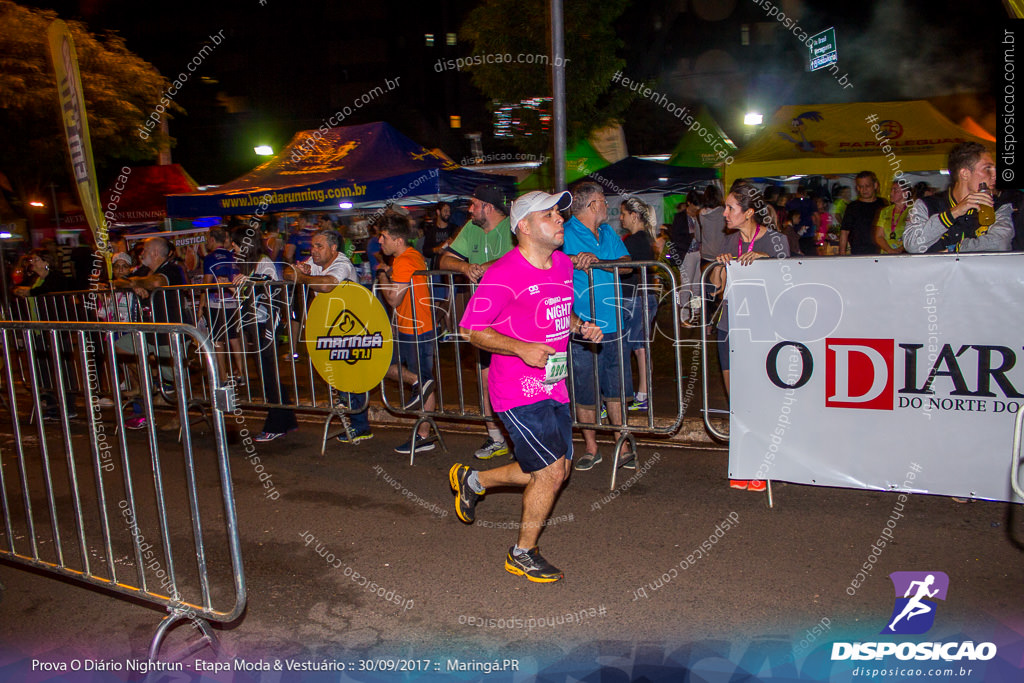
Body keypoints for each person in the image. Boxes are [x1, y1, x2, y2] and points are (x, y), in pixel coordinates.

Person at [450, 190, 601, 583]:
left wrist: (580, 327)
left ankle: (475, 480)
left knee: (558, 470)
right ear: (524, 227)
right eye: (549, 215)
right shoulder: (504, 274)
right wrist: (519, 348)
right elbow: (470, 330)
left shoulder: (564, 265)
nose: (559, 220)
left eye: (558, 214)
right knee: (550, 473)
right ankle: (523, 553)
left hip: (554, 383)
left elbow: (559, 315)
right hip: (516, 390)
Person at [708, 181, 790, 492]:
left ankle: (766, 464)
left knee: (762, 398)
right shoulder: (728, 243)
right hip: (731, 326)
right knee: (738, 400)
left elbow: (793, 279)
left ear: (749, 212)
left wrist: (766, 261)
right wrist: (720, 267)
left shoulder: (776, 240)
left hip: (762, 330)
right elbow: (716, 287)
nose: (724, 213)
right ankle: (745, 463)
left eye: (730, 208)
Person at [561, 181, 633, 472]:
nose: (607, 205)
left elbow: (628, 263)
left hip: (613, 322)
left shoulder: (607, 232)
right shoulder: (564, 233)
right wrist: (573, 260)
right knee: (584, 388)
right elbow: (548, 262)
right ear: (592, 205)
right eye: (604, 200)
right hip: (582, 327)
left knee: (617, 387)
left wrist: (599, 261)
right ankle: (591, 447)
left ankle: (623, 444)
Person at [439, 184, 514, 461]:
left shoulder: (513, 228)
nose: (469, 210)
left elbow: (517, 259)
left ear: (488, 207)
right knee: (485, 379)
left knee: (513, 377)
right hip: (483, 316)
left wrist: (485, 266)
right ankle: (496, 438)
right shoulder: (470, 229)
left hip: (511, 316)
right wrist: (464, 267)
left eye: (473, 204)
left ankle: (519, 436)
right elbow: (445, 258)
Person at [374, 212, 438, 453]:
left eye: (384, 237)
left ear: (397, 240)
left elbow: (393, 298)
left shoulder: (404, 260)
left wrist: (382, 274)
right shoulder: (409, 257)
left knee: (421, 379)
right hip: (411, 327)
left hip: (416, 329)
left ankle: (423, 435)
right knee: (389, 368)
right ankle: (420, 384)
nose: (380, 242)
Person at [230, 226, 298, 442]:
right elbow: (249, 293)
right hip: (256, 323)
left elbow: (269, 288)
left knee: (269, 374)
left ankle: (276, 423)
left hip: (267, 325)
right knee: (267, 374)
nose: (232, 249)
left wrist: (247, 282)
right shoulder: (250, 264)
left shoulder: (262, 262)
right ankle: (286, 419)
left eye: (234, 245)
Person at [903, 142, 1012, 253]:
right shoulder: (927, 205)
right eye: (987, 168)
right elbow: (912, 245)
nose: (994, 175)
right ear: (964, 173)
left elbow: (1000, 243)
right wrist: (953, 213)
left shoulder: (999, 206)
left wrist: (954, 250)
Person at [619, 197, 659, 412]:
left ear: (634, 216)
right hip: (643, 297)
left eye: (623, 214)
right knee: (639, 346)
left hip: (636, 298)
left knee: (637, 347)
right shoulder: (645, 239)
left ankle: (639, 394)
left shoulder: (634, 241)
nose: (620, 217)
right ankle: (642, 393)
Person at [201, 227, 244, 385]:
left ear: (212, 239)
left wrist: (201, 307)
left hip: (216, 303)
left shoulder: (210, 258)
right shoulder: (232, 256)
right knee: (234, 338)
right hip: (232, 301)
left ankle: (223, 377)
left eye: (207, 239)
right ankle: (241, 373)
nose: (206, 242)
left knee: (218, 340)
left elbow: (205, 284)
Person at [839, 171, 887, 255]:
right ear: (857, 188)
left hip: (881, 251)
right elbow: (844, 231)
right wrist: (842, 253)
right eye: (861, 187)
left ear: (875, 185)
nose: (864, 190)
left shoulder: (882, 204)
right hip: (859, 252)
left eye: (867, 186)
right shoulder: (852, 207)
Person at [874, 181, 912, 254]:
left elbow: (914, 235)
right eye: (891, 190)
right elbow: (879, 236)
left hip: (905, 253)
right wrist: (889, 250)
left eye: (895, 190)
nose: (891, 193)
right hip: (886, 254)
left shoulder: (912, 210)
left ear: (905, 193)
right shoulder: (885, 211)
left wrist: (901, 249)